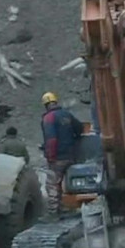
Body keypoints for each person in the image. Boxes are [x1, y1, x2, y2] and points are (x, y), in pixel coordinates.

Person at [41, 92, 83, 221]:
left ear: (46, 105)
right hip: (71, 155)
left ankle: (54, 212)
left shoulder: (49, 118)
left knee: (52, 184)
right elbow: (80, 128)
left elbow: (51, 139)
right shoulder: (67, 115)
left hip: (58, 157)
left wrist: (50, 156)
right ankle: (66, 207)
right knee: (65, 183)